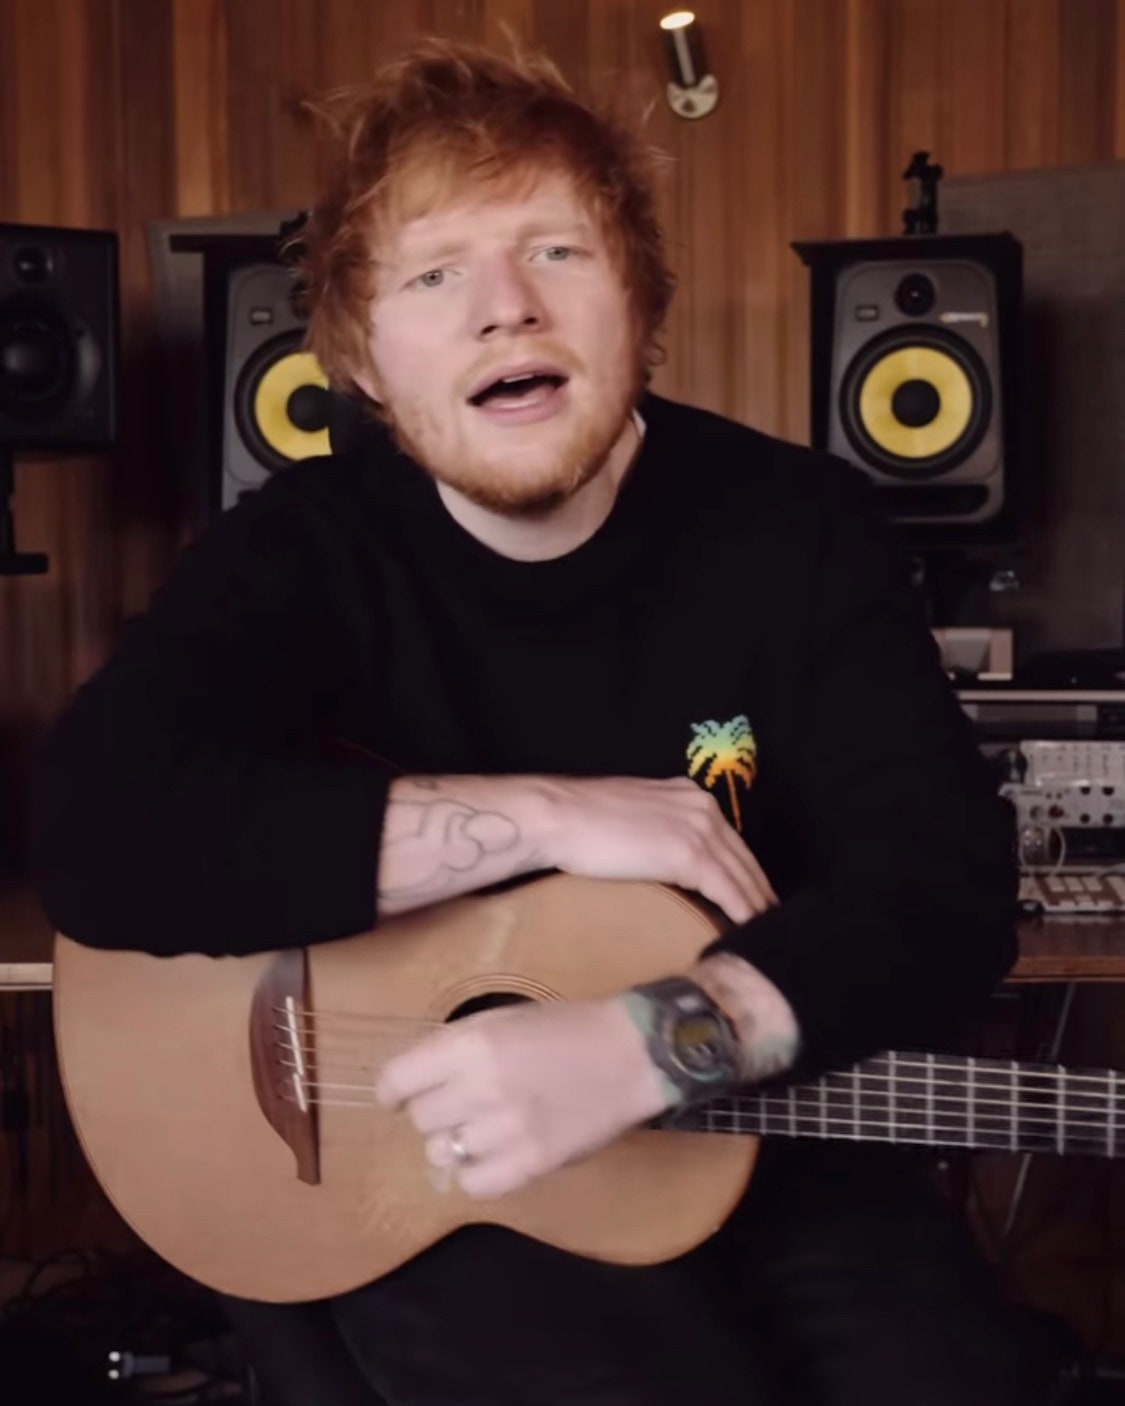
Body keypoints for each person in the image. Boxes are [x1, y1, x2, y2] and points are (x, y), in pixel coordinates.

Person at [31, 37, 1058, 1406]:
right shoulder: (305, 549)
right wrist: (546, 812)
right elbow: (97, 825)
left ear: (637, 297)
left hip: (785, 1148)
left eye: (556, 252)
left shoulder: (795, 528)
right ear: (364, 361)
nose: (503, 309)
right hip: (430, 1164)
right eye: (434, 273)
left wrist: (653, 1038)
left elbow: (940, 892)